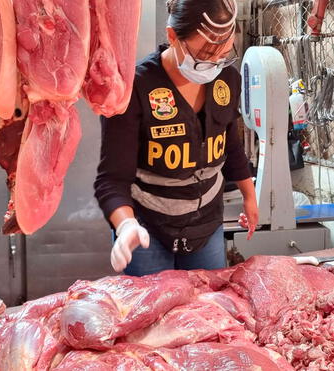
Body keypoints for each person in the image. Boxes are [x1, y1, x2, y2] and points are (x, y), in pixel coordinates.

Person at [94, 0, 258, 276]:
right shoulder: (135, 87)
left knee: (209, 311)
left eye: (225, 53)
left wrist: (249, 196)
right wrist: (125, 226)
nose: (215, 64)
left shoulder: (226, 79)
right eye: (206, 54)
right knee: (155, 316)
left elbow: (230, 145)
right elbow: (111, 180)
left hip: (207, 227)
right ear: (173, 37)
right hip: (147, 231)